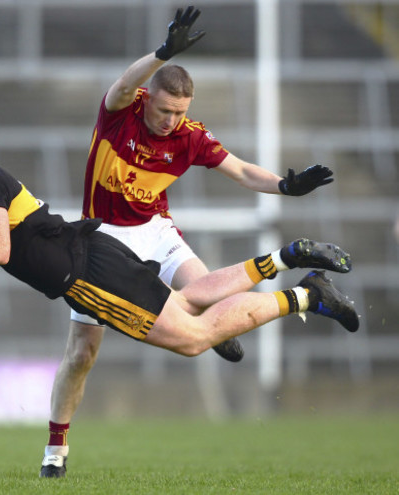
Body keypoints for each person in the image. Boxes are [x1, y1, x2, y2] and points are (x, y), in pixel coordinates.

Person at [0, 105, 358, 473]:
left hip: (86, 274)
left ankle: (306, 290)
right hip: (87, 267)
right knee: (191, 312)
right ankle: (299, 275)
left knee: (192, 336)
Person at [41, 5, 338, 478]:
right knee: (82, 353)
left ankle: (245, 312)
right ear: (147, 98)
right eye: (164, 110)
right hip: (99, 239)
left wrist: (285, 185)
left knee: (209, 291)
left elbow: (240, 170)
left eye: (180, 112)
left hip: (156, 231)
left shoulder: (190, 136)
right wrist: (160, 54)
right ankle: (55, 451)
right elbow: (121, 84)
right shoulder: (121, 113)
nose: (171, 120)